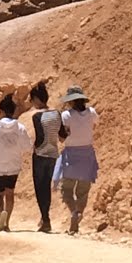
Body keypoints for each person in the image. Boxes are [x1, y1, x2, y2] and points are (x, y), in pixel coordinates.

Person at [54, 85, 99, 234]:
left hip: (71, 156)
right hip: (87, 155)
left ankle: (73, 211)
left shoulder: (66, 115)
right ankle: (79, 213)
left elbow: (62, 138)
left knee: (66, 189)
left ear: (71, 101)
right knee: (83, 191)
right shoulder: (91, 112)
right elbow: (95, 123)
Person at [0, 93, 32, 232]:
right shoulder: (20, 127)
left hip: (0, 164)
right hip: (14, 165)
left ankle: (1, 213)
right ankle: (7, 223)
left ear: (2, 111)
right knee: (10, 193)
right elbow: (27, 146)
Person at [29, 80, 65, 233]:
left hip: (40, 155)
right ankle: (45, 219)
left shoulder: (37, 117)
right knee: (47, 188)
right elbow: (62, 136)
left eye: (32, 99)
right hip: (53, 155)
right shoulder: (57, 113)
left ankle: (46, 219)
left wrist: (35, 148)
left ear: (37, 99)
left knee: (40, 188)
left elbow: (40, 138)